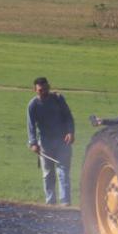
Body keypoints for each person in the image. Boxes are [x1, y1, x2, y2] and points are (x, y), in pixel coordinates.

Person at [26, 76, 75, 205]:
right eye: (41, 90)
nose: (44, 92)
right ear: (35, 90)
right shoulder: (33, 105)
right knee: (48, 174)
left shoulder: (58, 99)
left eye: (46, 89)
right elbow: (31, 126)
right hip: (45, 143)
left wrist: (70, 132)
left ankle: (65, 202)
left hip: (62, 141)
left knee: (63, 171)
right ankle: (50, 202)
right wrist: (33, 143)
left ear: (49, 87)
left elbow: (68, 116)